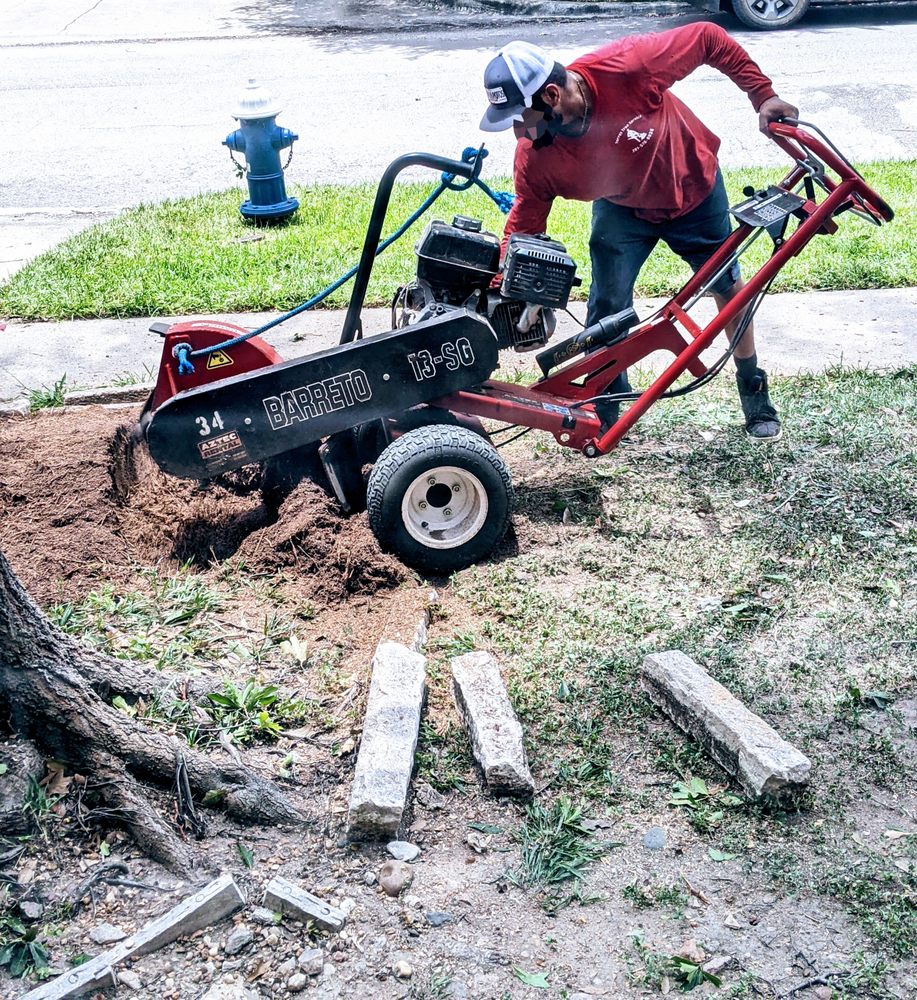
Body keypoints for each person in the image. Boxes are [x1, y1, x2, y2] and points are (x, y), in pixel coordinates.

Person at [479, 24, 798, 440]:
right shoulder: (535, 154)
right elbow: (526, 220)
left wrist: (763, 95)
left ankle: (752, 387)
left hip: (692, 190)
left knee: (728, 289)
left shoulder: (627, 67)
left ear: (553, 96)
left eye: (523, 115)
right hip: (622, 210)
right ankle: (609, 406)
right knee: (606, 305)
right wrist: (504, 283)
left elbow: (707, 38)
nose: (520, 129)